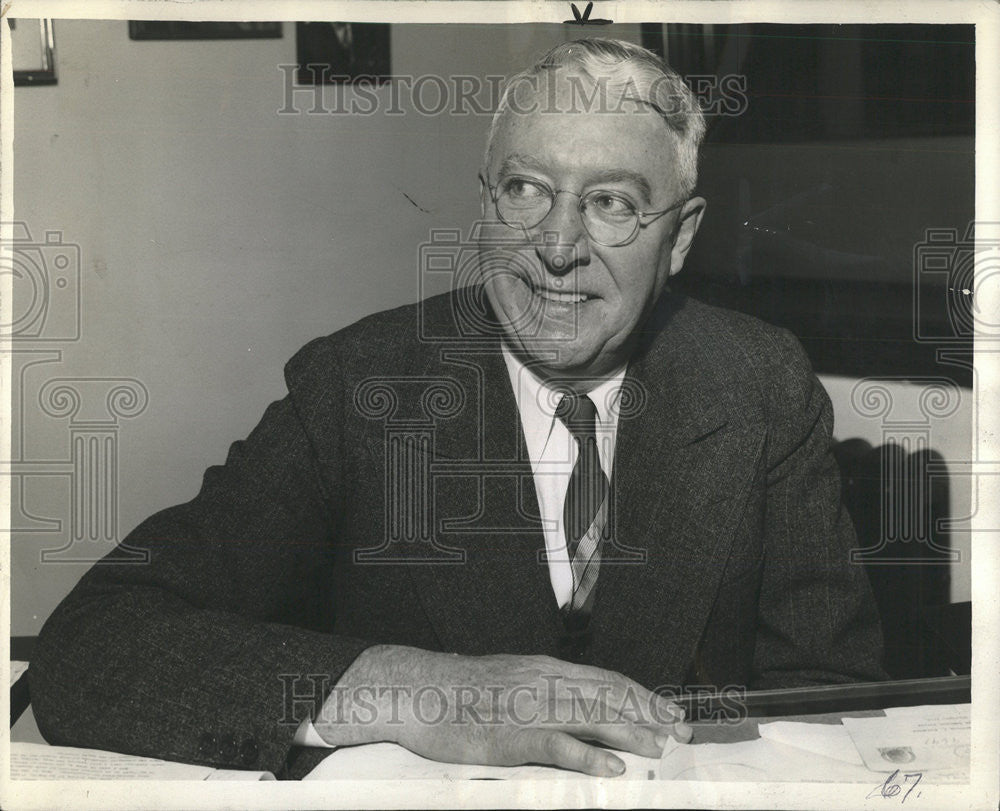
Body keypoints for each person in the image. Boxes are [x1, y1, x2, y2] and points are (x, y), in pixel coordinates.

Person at [30, 38, 885, 780]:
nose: (556, 246)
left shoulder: (759, 384)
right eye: (526, 189)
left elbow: (829, 703)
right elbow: (90, 648)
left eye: (612, 203)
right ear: (485, 202)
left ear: (683, 236)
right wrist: (418, 689)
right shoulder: (358, 387)